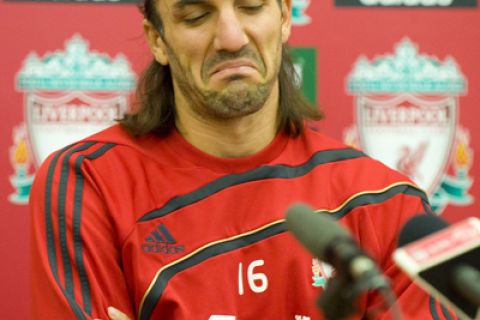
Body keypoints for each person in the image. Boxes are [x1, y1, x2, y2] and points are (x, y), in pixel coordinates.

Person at [29, 0, 456, 319]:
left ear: (285, 15)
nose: (232, 38)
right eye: (196, 15)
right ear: (157, 39)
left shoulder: (384, 201)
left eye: (251, 6)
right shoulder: (88, 183)